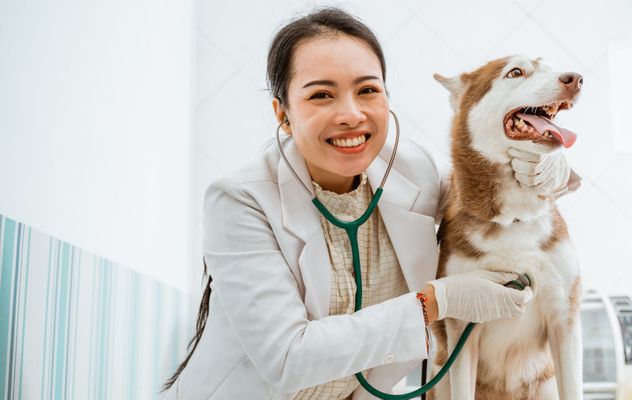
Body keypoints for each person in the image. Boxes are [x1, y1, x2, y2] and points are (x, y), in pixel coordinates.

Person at [159, 7, 579, 400]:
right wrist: (435, 301)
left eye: (367, 90)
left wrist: (551, 168)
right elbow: (286, 358)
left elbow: (486, 193)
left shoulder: (412, 172)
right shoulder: (239, 200)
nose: (351, 114)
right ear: (283, 114)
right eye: (321, 95)